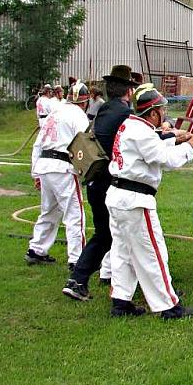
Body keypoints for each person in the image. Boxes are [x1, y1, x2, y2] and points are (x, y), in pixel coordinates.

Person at [106, 84, 193, 318]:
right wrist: (189, 146)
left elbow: (153, 142)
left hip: (118, 197)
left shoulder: (130, 125)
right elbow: (163, 157)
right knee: (152, 253)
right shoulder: (141, 132)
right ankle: (168, 306)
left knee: (123, 252)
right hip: (135, 201)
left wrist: (174, 137)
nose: (164, 114)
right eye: (161, 110)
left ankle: (121, 302)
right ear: (152, 113)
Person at [62, 65, 139, 301]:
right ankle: (149, 285)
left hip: (95, 181)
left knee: (105, 235)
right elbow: (139, 140)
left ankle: (80, 280)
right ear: (128, 91)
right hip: (109, 183)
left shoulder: (105, 110)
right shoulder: (124, 115)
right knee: (129, 234)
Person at [25, 82, 91, 269]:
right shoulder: (78, 115)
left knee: (49, 211)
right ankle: (77, 259)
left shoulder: (55, 113)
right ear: (85, 102)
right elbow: (85, 142)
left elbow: (37, 145)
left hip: (45, 165)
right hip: (63, 168)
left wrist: (35, 172)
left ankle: (37, 249)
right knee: (74, 214)